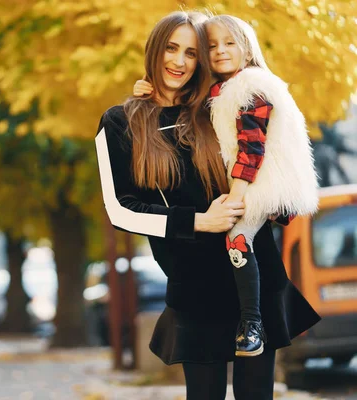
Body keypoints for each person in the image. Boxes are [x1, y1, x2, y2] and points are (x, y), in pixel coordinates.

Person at [96, 11, 320, 399]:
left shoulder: (219, 106)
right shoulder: (121, 122)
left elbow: (274, 150)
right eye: (171, 48)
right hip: (194, 286)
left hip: (254, 277)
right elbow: (120, 209)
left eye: (191, 53)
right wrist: (199, 221)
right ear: (155, 50)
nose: (179, 62)